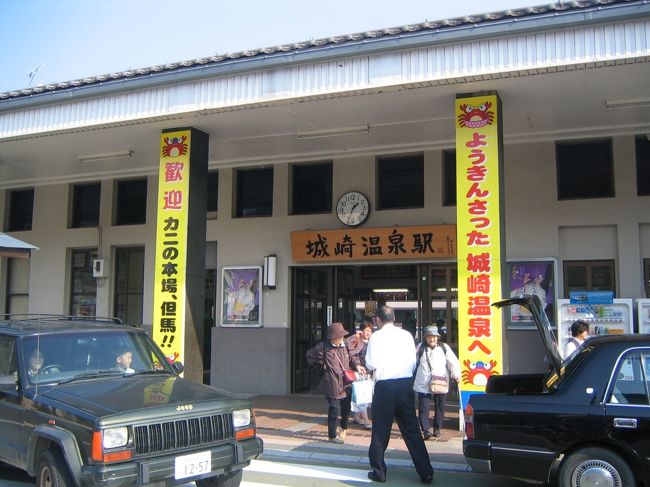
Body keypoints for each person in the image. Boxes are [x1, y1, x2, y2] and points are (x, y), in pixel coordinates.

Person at [365, 306, 434, 484]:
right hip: (405, 385)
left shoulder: (375, 336)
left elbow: (371, 363)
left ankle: (379, 471)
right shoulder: (406, 335)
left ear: (378, 320)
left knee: (381, 430)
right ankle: (426, 472)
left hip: (385, 387)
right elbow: (413, 362)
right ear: (394, 318)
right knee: (411, 430)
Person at [306, 322, 365, 444]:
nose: (340, 339)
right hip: (331, 382)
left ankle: (343, 427)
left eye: (341, 336)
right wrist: (321, 366)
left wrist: (358, 366)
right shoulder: (323, 346)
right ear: (331, 337)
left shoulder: (346, 345)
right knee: (333, 408)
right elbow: (310, 356)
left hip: (346, 382)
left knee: (346, 408)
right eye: (337, 337)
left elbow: (353, 357)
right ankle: (332, 435)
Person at [413, 325, 460, 439]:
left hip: (440, 381)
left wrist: (456, 374)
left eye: (434, 337)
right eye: (429, 337)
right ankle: (425, 430)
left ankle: (437, 428)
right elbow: (412, 362)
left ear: (438, 337)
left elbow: (452, 362)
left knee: (440, 406)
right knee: (424, 407)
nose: (432, 339)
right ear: (425, 337)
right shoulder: (421, 347)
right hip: (423, 382)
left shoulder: (444, 347)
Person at [347, 320, 373, 429]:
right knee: (363, 396)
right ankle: (366, 421)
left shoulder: (372, 341)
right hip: (358, 372)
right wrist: (356, 336)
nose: (368, 333)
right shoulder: (357, 340)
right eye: (366, 330)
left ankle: (356, 417)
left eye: (370, 331)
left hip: (368, 372)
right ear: (361, 331)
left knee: (364, 395)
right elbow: (349, 348)